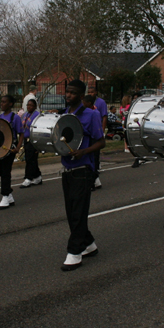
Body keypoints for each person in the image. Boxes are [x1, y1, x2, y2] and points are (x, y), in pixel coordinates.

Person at [60, 79, 105, 272]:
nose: (68, 95)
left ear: (80, 95)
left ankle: (75, 252)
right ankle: (89, 244)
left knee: (78, 212)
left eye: (71, 92)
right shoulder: (65, 115)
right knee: (72, 213)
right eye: (67, 92)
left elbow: (101, 142)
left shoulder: (91, 115)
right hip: (67, 170)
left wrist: (83, 152)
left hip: (83, 170)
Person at [0, 95, 23, 210]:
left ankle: (5, 195)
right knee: (2, 171)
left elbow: (21, 133)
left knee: (6, 171)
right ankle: (9, 195)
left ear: (10, 104)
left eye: (4, 102)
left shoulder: (15, 118)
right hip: (0, 149)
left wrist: (18, 147)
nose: (2, 104)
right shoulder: (0, 117)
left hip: (10, 149)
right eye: (1, 102)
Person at [87, 86, 107, 190]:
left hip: (97, 131)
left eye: (92, 92)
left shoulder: (100, 103)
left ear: (96, 92)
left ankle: (94, 179)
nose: (90, 93)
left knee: (95, 156)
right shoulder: (85, 103)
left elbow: (104, 117)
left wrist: (102, 131)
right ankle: (94, 178)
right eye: (89, 92)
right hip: (89, 132)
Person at [20, 98, 42, 188]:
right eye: (28, 105)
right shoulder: (26, 114)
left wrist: (38, 145)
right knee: (31, 159)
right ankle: (37, 176)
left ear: (35, 106)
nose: (29, 107)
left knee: (30, 159)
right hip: (26, 139)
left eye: (31, 105)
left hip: (33, 140)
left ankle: (28, 178)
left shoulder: (37, 115)